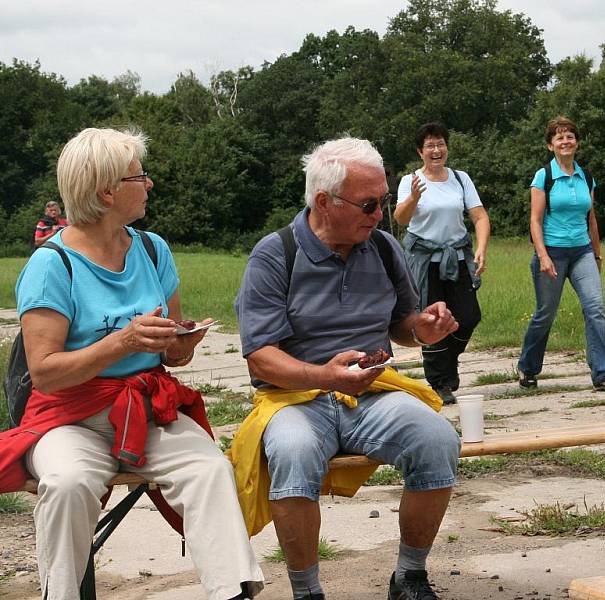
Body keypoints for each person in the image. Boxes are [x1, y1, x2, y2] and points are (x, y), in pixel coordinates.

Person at [0, 128, 264, 600]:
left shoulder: (151, 249)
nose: (150, 184)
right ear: (107, 191)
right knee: (66, 482)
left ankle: (233, 593)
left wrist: (182, 342)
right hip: (68, 417)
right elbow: (45, 372)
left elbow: (172, 355)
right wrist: (123, 342)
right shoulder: (51, 264)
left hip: (145, 408)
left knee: (210, 470)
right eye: (140, 176)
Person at [232, 136, 461, 600]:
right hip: (293, 398)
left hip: (370, 393)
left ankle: (410, 576)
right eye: (369, 203)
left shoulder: (382, 247)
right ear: (323, 201)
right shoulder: (275, 254)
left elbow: (401, 326)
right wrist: (325, 376)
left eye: (384, 201)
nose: (380, 214)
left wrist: (423, 331)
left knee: (438, 440)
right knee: (292, 453)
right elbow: (261, 356)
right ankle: (307, 591)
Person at [517, 116, 605, 392]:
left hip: (582, 252)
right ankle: (528, 368)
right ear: (550, 145)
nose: (565, 141)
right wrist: (542, 256)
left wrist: (597, 256)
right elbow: (535, 220)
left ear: (576, 142)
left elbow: (591, 220)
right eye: (559, 137)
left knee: (596, 309)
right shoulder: (545, 176)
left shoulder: (586, 177)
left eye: (570, 136)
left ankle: (603, 374)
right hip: (552, 252)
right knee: (546, 313)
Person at [394, 122, 490, 405]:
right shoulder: (409, 181)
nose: (436, 150)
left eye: (440, 144)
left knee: (468, 316)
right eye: (430, 146)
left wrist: (481, 248)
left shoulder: (460, 178)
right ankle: (440, 383)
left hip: (458, 257)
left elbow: (480, 217)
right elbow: (401, 219)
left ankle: (447, 364)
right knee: (431, 320)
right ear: (420, 152)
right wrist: (414, 196)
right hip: (425, 262)